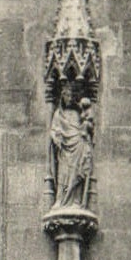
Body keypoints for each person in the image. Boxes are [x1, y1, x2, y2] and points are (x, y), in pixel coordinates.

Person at [48, 81, 95, 210]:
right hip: (64, 147)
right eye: (66, 95)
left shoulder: (78, 113)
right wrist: (57, 137)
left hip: (78, 144)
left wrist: (86, 131)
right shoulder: (58, 114)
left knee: (77, 171)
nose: (69, 98)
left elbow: (88, 125)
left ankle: (76, 200)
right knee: (63, 172)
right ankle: (60, 199)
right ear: (62, 96)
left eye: (71, 95)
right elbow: (53, 130)